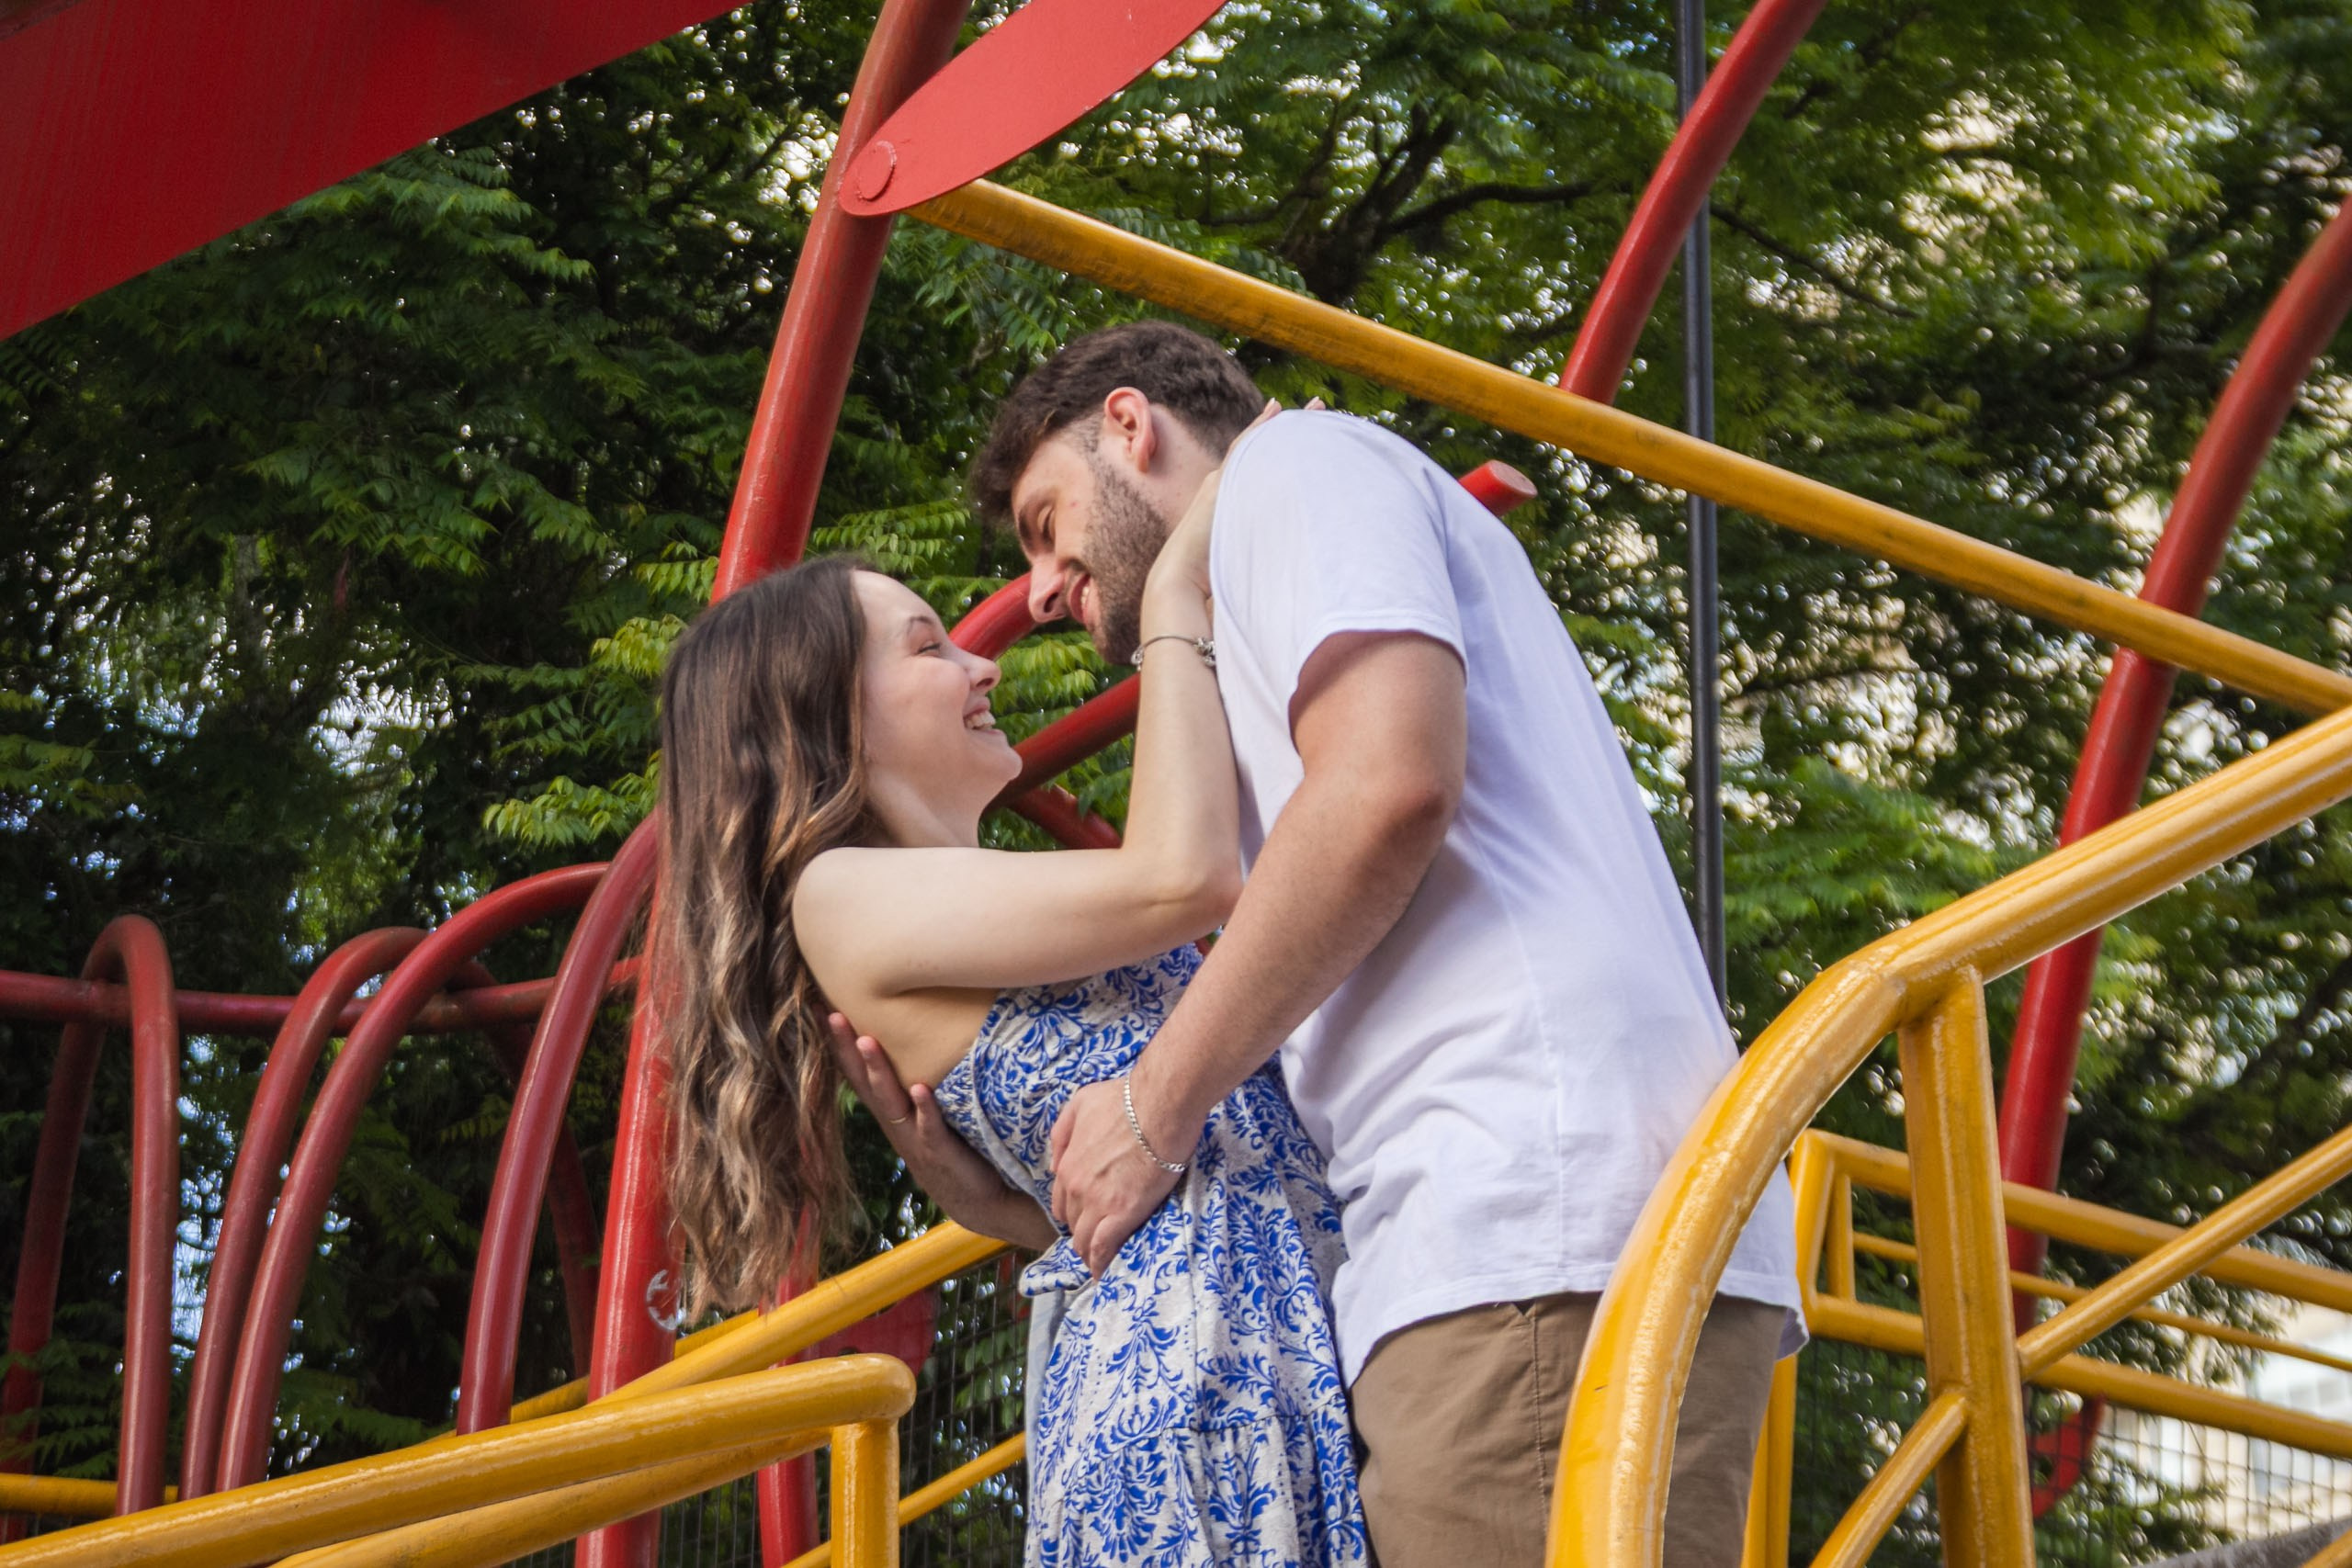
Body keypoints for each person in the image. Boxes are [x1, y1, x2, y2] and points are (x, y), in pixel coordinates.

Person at [846, 321, 1804, 1566]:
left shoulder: (1296, 472)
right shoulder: (1273, 571)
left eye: (1045, 520)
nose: (1034, 587)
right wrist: (1020, 1196)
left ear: (1130, 427)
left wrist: (1148, 1105)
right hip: (1520, 1215)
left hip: (1522, 1206)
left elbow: (1385, 784)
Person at [649, 450, 1370, 1567]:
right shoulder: (839, 894)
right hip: (1188, 1391)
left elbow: (1164, 1168)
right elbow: (1186, 875)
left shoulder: (978, 906)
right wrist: (1172, 597)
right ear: (824, 714)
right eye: (927, 647)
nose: (979, 664)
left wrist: (1010, 1210)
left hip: (1249, 1346)